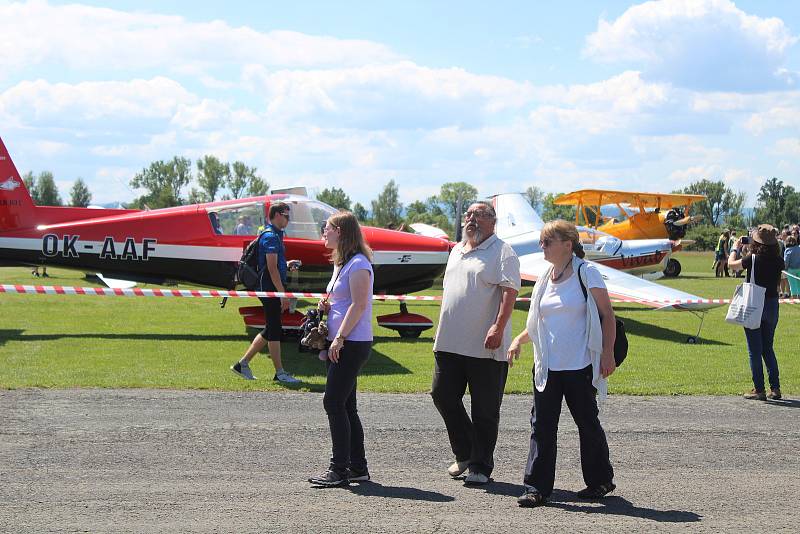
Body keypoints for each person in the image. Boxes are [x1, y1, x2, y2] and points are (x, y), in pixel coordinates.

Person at [507, 220, 617, 507]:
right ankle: (536, 488)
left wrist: (607, 353)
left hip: (579, 365)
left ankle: (600, 480)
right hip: (547, 366)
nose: (542, 246)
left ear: (567, 245)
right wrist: (519, 340)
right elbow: (539, 321)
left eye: (547, 241)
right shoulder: (545, 276)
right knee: (542, 426)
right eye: (542, 242)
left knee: (587, 423)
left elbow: (607, 314)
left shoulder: (586, 271)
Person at [431, 201, 520, 486]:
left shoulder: (503, 252)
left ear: (493, 222)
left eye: (480, 216)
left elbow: (509, 294)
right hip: (448, 342)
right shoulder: (457, 250)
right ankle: (466, 453)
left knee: (484, 409)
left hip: (486, 347)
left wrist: (498, 326)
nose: (472, 220)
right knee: (441, 395)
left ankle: (481, 466)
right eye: (469, 215)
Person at [308, 211, 374, 487]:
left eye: (329, 228)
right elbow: (346, 301)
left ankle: (339, 469)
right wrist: (327, 306)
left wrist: (340, 338)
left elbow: (359, 305)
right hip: (343, 341)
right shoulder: (343, 263)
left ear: (343, 233)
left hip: (351, 342)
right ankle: (357, 467)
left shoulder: (358, 264)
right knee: (346, 405)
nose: (325, 232)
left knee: (333, 402)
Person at [230, 202, 301, 384]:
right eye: (286, 215)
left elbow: (273, 265)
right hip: (269, 289)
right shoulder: (270, 236)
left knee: (272, 328)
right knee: (275, 329)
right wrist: (282, 294)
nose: (288, 219)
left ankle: (242, 364)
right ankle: (279, 373)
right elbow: (271, 268)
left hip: (269, 287)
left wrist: (286, 264)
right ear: (277, 215)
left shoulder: (274, 234)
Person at [728, 224, 784, 401]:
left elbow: (732, 266)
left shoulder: (752, 258)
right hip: (772, 304)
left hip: (755, 304)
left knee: (754, 350)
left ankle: (759, 389)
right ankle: (775, 388)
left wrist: (735, 248)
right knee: (768, 348)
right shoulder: (778, 260)